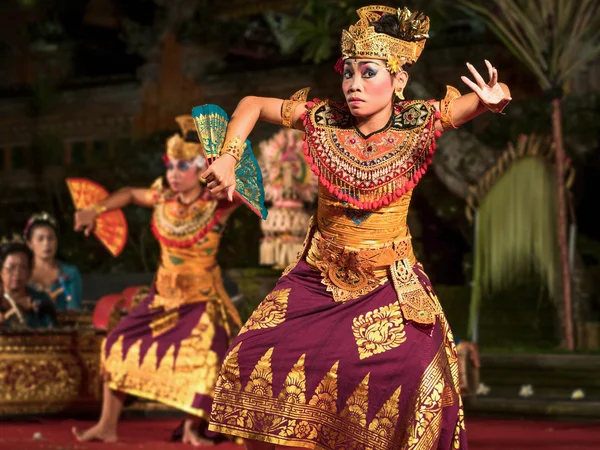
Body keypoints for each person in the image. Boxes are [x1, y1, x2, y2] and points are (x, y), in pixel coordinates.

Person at [200, 6, 511, 449]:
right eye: (348, 73)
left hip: (388, 281)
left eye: (368, 73)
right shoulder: (321, 118)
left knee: (418, 373)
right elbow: (250, 105)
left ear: (398, 81)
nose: (354, 85)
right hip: (317, 279)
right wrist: (229, 156)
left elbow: (477, 102)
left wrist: (493, 97)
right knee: (251, 359)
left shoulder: (419, 122)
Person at [71, 115, 242, 446]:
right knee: (116, 343)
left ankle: (193, 427)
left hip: (201, 302)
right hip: (160, 299)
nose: (173, 175)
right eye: (170, 167)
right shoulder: (162, 198)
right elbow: (129, 195)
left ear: (201, 168)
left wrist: (230, 165)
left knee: (204, 357)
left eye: (182, 167)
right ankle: (107, 425)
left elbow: (248, 197)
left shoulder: (218, 204)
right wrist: (96, 210)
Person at [25, 212, 83, 311]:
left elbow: (74, 310)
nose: (46, 243)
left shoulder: (70, 273)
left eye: (50, 238)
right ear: (30, 244)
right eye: (40, 239)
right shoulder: (22, 273)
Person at [0, 235, 57, 329]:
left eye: (23, 268)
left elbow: (53, 333)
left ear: (29, 272)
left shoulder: (41, 300)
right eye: (11, 268)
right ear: (1, 271)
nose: (17, 273)